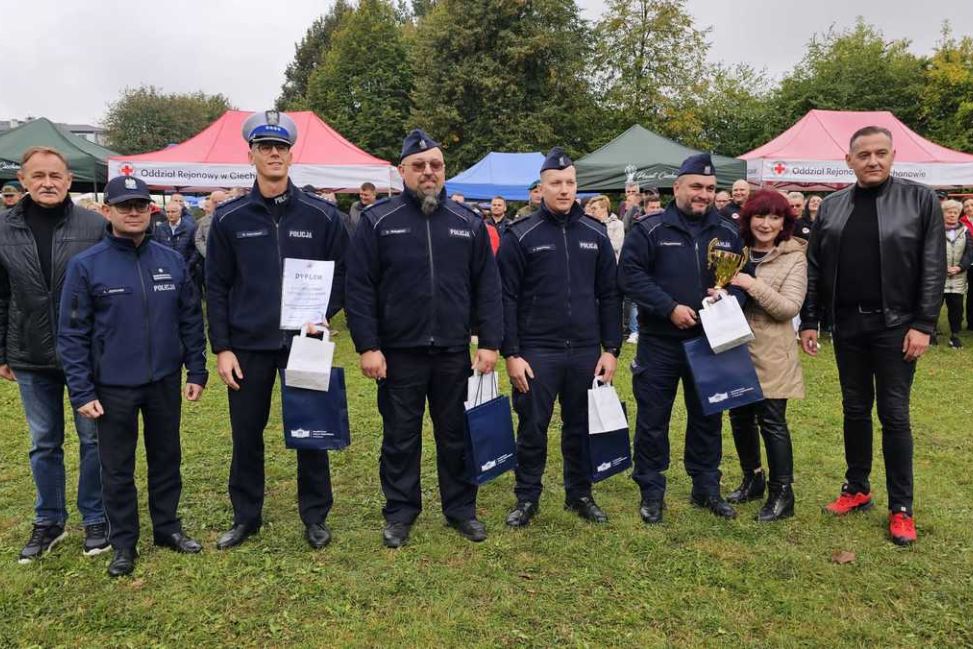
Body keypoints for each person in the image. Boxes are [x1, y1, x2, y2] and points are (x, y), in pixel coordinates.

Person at [345, 129, 502, 548]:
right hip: (398, 354)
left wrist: (489, 342)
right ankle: (400, 511)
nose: (428, 172)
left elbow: (488, 287)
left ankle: (460, 509)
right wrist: (368, 346)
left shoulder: (468, 223)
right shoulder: (378, 221)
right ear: (402, 172)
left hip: (454, 353)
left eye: (435, 165)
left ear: (444, 171)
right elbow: (359, 287)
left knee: (456, 435)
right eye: (419, 166)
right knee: (400, 436)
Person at [206, 110, 348, 551]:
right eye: (265, 147)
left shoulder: (323, 215)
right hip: (248, 346)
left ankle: (315, 516)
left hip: (304, 341)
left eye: (280, 148)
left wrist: (323, 312)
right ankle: (246, 517)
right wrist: (222, 348)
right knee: (246, 434)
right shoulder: (229, 218)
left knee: (312, 430)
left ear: (291, 155)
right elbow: (215, 285)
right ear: (250, 154)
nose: (273, 154)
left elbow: (343, 273)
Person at [799, 126, 945, 546]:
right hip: (848, 326)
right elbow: (816, 267)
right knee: (855, 409)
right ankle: (857, 487)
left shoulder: (920, 200)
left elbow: (932, 267)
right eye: (863, 154)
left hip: (897, 326)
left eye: (881, 153)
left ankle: (902, 508)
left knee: (895, 415)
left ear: (893, 155)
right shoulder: (831, 206)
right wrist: (811, 319)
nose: (873, 161)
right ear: (849, 161)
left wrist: (924, 324)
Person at [57, 176, 207, 577]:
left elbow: (190, 319)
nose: (134, 212)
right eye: (125, 206)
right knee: (117, 468)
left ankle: (167, 528)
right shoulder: (86, 266)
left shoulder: (171, 260)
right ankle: (124, 542)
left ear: (151, 209)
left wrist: (197, 368)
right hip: (112, 387)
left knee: (166, 458)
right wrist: (81, 390)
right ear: (108, 212)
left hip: (163, 381)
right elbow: (71, 334)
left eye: (141, 205)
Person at [620, 153, 747, 524]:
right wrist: (668, 307)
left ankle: (706, 485)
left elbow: (743, 280)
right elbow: (629, 275)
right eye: (696, 186)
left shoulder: (728, 232)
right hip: (660, 341)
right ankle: (651, 489)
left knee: (708, 416)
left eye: (709, 188)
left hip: (710, 341)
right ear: (678, 187)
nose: (703, 194)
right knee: (652, 419)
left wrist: (730, 298)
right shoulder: (650, 228)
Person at [497, 149, 621, 527]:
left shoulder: (595, 234)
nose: (564, 190)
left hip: (585, 350)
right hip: (537, 351)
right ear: (542, 188)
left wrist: (612, 349)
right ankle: (527, 497)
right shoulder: (521, 235)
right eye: (556, 183)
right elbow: (505, 297)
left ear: (576, 186)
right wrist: (512, 353)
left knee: (580, 426)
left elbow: (611, 294)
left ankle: (580, 493)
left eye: (569, 183)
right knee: (532, 427)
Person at [0, 147, 108, 562]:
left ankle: (96, 517)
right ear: (23, 180)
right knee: (44, 442)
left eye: (55, 175)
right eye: (38, 175)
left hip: (86, 354)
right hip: (29, 352)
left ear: (68, 181)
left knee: (93, 440)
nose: (47, 182)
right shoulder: (4, 227)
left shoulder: (93, 226)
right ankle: (50, 520)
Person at [723, 190, 807, 521]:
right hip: (734, 348)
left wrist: (749, 284)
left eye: (775, 217)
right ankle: (752, 478)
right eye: (760, 216)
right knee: (739, 418)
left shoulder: (794, 256)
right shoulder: (735, 251)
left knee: (772, 421)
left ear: (784, 222)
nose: (766, 224)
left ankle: (782, 494)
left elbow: (788, 307)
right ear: (748, 218)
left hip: (772, 351)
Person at [936, 199, 973, 348]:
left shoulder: (965, 230)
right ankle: (931, 332)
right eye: (948, 212)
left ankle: (954, 336)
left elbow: (970, 252)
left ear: (959, 214)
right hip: (939, 276)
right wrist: (941, 267)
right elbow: (931, 251)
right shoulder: (935, 230)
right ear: (943, 213)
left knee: (956, 308)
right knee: (934, 306)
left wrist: (959, 267)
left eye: (955, 212)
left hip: (958, 277)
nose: (952, 215)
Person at [155, 201, 197, 267]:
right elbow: (156, 248)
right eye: (168, 212)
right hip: (166, 267)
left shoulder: (190, 228)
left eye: (173, 212)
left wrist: (188, 265)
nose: (170, 214)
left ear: (180, 213)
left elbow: (195, 250)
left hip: (184, 267)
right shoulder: (161, 228)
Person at [587, 195, 624, 260]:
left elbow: (616, 246)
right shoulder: (590, 225)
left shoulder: (618, 224)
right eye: (591, 209)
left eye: (594, 208)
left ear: (604, 208)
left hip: (611, 263)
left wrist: (596, 244)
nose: (592, 211)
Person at [962, 198, 973, 330]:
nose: (969, 208)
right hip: (969, 264)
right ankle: (971, 323)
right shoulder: (960, 224)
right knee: (971, 294)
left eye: (972, 205)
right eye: (966, 206)